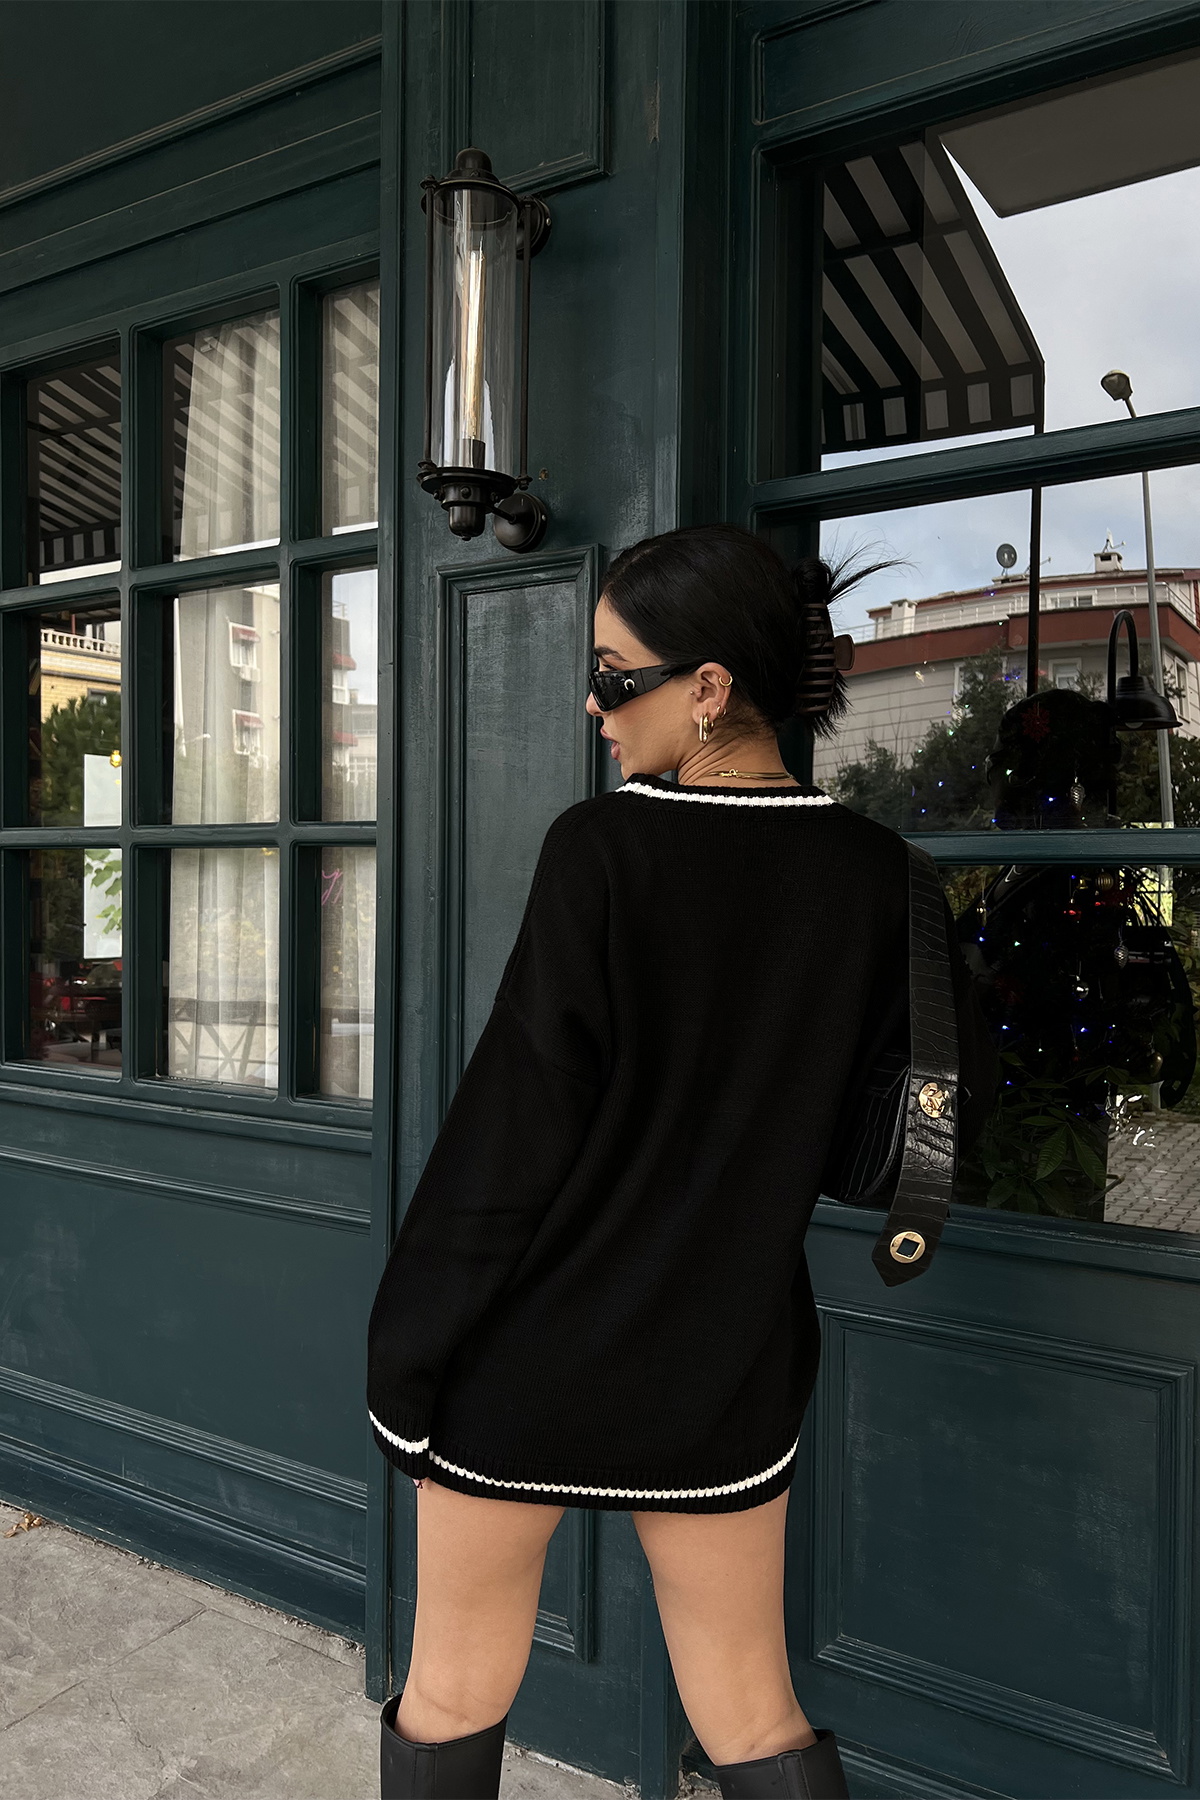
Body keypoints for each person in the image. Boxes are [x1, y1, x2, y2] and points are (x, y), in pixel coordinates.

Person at [366, 523, 1000, 1800]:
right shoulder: (884, 877)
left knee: (451, 1689)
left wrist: (409, 1350)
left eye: (613, 675)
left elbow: (511, 1137)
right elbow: (877, 1137)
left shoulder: (602, 849)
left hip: (531, 1354)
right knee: (754, 1709)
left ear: (708, 687)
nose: (592, 704)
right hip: (728, 1354)